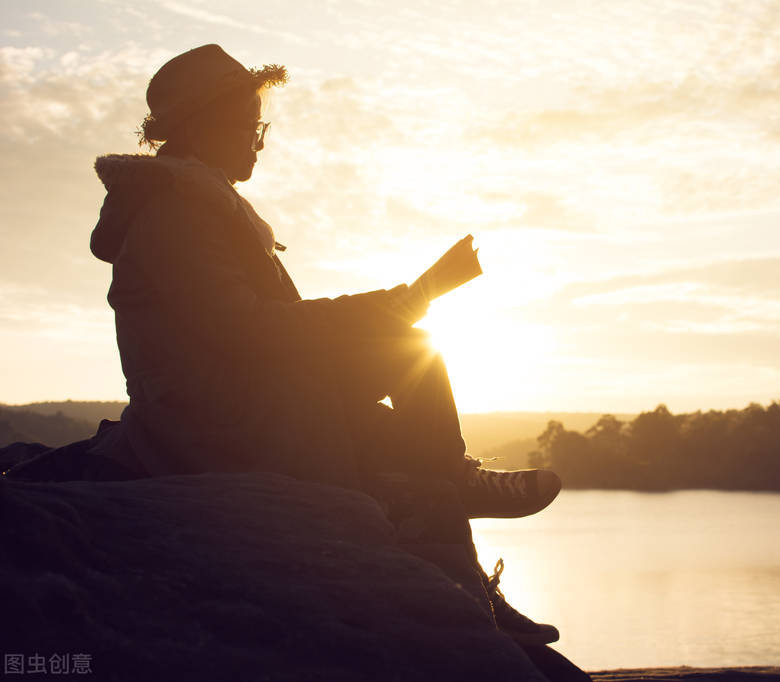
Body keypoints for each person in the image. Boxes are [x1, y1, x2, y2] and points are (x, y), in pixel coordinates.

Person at [83, 44, 562, 645]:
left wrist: (414, 295)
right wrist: (411, 295)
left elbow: (266, 332)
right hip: (218, 418)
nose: (259, 141)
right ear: (204, 126)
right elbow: (252, 332)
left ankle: (466, 576)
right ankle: (462, 534)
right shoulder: (178, 216)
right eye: (251, 126)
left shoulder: (196, 203)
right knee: (407, 370)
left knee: (406, 365)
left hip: (251, 394)